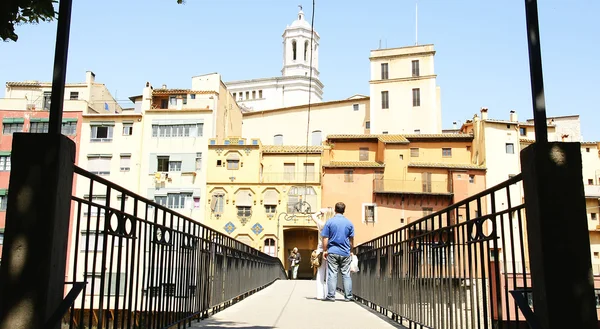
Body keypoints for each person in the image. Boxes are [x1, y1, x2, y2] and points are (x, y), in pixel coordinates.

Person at [321, 202, 355, 302]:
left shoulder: (329, 222)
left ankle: (331, 296)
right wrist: (351, 250)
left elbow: (325, 238)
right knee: (346, 274)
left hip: (332, 251)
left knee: (332, 274)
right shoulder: (349, 223)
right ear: (344, 210)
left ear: (335, 210)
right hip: (345, 252)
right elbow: (351, 240)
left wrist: (325, 250)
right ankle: (348, 296)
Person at [310, 209, 331, 300]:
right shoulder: (332, 225)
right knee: (330, 273)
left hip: (320, 250)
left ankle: (320, 294)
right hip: (330, 250)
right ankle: (328, 294)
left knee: (320, 273)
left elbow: (313, 216)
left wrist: (320, 212)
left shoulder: (321, 224)